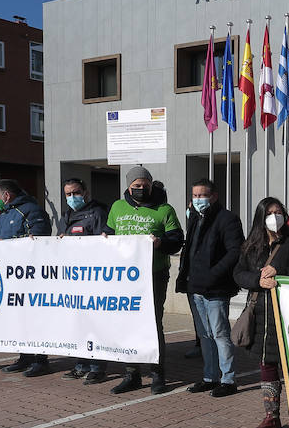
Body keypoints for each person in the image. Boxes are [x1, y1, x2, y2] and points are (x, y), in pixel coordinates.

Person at [234, 197, 289, 428]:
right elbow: (238, 273)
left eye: (279, 212)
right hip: (260, 314)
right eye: (270, 212)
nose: (275, 216)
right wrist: (257, 280)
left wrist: (280, 273)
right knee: (266, 364)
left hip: (288, 313)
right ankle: (271, 416)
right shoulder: (251, 245)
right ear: (261, 216)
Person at [105, 166, 184, 394]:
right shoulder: (117, 207)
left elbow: (177, 239)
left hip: (154, 274)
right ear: (128, 187)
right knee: (128, 324)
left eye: (144, 186)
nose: (140, 189)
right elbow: (108, 233)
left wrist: (161, 242)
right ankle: (132, 374)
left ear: (151, 185)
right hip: (124, 277)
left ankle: (158, 373)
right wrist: (103, 239)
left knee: (152, 325)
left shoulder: (164, 209)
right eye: (136, 186)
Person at [176, 178, 244, 398]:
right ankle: (209, 377)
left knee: (220, 334)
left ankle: (228, 379)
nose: (198, 200)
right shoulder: (195, 218)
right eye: (194, 196)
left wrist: (214, 274)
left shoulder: (227, 219)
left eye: (202, 195)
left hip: (215, 288)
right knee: (204, 335)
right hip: (194, 287)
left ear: (214, 196)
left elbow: (235, 251)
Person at [0, 179, 54, 376]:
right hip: (9, 277)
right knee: (18, 319)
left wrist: (6, 243)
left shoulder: (31, 211)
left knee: (35, 319)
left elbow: (39, 240)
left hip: (31, 276)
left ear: (6, 195)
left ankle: (40, 360)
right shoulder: (3, 215)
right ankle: (24, 356)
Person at [58, 177, 111, 382]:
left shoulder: (97, 213)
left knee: (94, 324)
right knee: (77, 324)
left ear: (85, 193)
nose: (72, 197)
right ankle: (80, 365)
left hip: (93, 280)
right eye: (68, 194)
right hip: (72, 280)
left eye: (76, 193)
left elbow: (104, 244)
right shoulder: (66, 216)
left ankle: (98, 367)